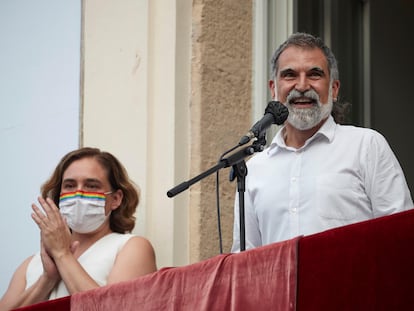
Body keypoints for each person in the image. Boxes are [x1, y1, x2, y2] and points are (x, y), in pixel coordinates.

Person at [231, 32, 413, 252]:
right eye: (290, 75)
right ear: (273, 89)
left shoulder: (366, 147)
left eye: (314, 74)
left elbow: (401, 239)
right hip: (280, 288)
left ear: (334, 89)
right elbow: (245, 264)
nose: (302, 85)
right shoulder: (254, 169)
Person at [0, 147, 157, 310]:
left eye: (91, 185)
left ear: (115, 199)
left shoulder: (131, 247)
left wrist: (62, 255)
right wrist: (47, 280)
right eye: (69, 185)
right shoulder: (31, 264)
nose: (79, 193)